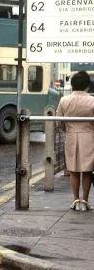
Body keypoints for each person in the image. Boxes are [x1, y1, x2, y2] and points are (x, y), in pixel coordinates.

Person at [56, 70, 94, 211]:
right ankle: (85, 200)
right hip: (89, 137)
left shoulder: (64, 100)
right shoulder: (92, 101)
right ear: (87, 86)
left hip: (71, 136)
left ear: (72, 85)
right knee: (87, 170)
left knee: (73, 170)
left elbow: (59, 120)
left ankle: (75, 199)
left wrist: (67, 129)